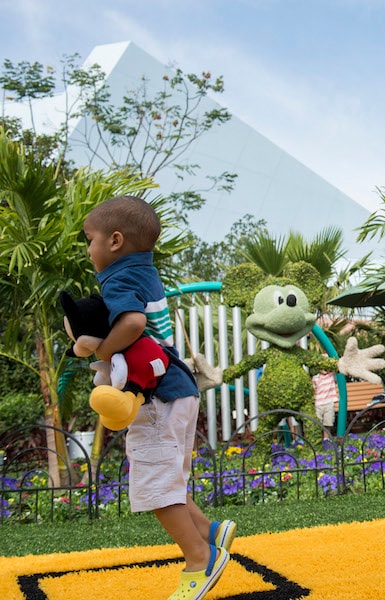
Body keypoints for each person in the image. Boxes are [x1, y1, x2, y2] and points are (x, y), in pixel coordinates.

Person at [84, 195, 233, 599]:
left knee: (153, 485)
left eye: (90, 239)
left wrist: (102, 351)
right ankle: (208, 531)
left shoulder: (118, 279)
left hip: (155, 397)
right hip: (177, 390)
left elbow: (132, 322)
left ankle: (199, 558)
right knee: (168, 480)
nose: (89, 249)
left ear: (115, 241)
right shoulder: (144, 272)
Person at [312, 365, 338, 439]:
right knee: (317, 423)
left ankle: (326, 439)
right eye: (322, 367)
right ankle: (318, 440)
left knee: (328, 423)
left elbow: (336, 365)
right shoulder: (315, 378)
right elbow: (314, 390)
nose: (325, 369)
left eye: (326, 367)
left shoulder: (331, 376)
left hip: (329, 403)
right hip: (318, 404)